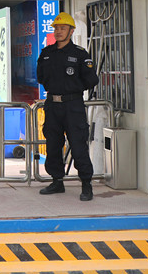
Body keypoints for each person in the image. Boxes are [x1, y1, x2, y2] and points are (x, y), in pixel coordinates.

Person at [36, 12, 99, 201]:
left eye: (63, 28)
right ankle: (57, 181)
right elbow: (41, 77)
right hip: (52, 106)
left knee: (78, 145)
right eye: (56, 28)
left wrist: (72, 89)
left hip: (73, 106)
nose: (59, 31)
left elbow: (91, 79)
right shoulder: (47, 53)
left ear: (71, 31)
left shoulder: (79, 54)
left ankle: (86, 184)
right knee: (53, 145)